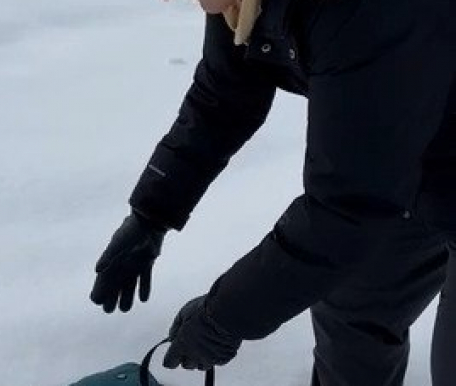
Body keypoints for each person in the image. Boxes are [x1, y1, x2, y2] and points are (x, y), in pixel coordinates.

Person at [89, 0, 456, 384]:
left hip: (407, 157)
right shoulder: (239, 5)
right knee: (353, 314)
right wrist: (151, 214)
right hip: (408, 157)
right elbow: (223, 98)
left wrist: (224, 317)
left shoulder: (368, 13)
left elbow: (344, 212)